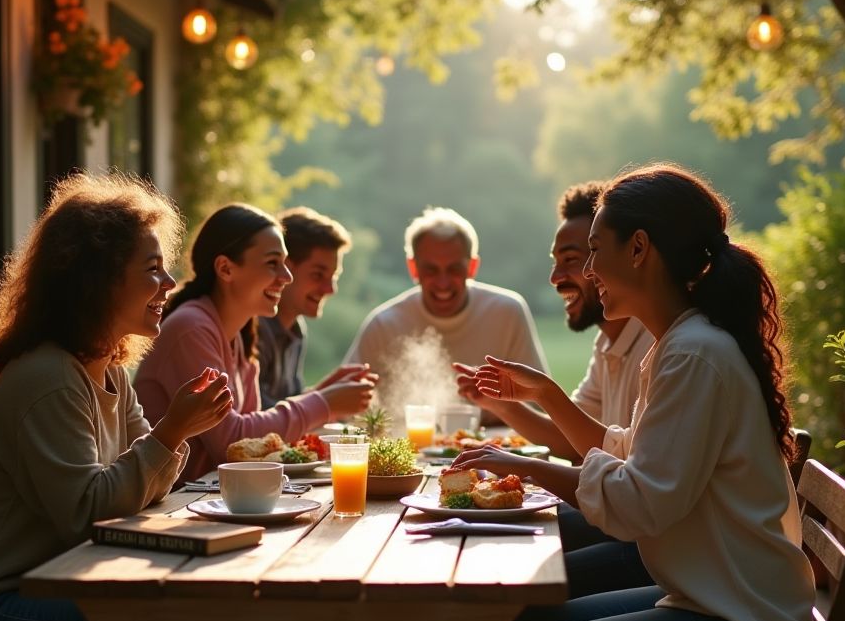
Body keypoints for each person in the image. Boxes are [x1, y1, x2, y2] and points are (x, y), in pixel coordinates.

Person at [0, 173, 297, 621]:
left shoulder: (107, 368)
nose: (168, 283)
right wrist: (174, 430)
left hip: (52, 584)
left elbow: (147, 486)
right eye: (151, 270)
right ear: (96, 280)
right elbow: (85, 514)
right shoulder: (47, 378)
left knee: (267, 614)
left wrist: (173, 433)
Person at [454, 163, 814, 621]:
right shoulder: (681, 344)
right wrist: (546, 395)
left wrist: (524, 466)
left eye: (596, 250)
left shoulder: (694, 354)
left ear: (640, 248)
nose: (590, 269)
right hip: (709, 603)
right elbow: (630, 453)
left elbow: (639, 503)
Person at [454, 181, 654, 597]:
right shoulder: (611, 343)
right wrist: (503, 403)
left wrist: (520, 464)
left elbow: (636, 494)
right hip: (642, 530)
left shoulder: (663, 348)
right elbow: (573, 439)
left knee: (500, 584)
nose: (556, 277)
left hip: (653, 549)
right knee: (482, 537)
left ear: (635, 253)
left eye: (578, 258)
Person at [135, 203, 375, 481]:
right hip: (170, 508)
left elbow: (256, 440)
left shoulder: (238, 333)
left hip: (210, 501)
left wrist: (323, 394)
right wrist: (323, 403)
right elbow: (232, 445)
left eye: (285, 264)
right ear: (225, 269)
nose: (286, 277)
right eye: (273, 263)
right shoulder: (191, 328)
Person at [344, 206, 546, 420]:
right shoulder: (384, 324)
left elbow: (539, 404)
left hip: (498, 448)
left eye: (454, 269)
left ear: (472, 267)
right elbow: (345, 407)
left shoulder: (507, 312)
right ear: (413, 268)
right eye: (431, 270)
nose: (443, 283)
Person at [257, 207, 374, 408]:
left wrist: (326, 389)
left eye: (334, 277)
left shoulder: (296, 330)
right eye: (318, 275)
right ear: (284, 268)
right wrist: (324, 400)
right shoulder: (253, 330)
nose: (330, 289)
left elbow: (287, 410)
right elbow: (256, 419)